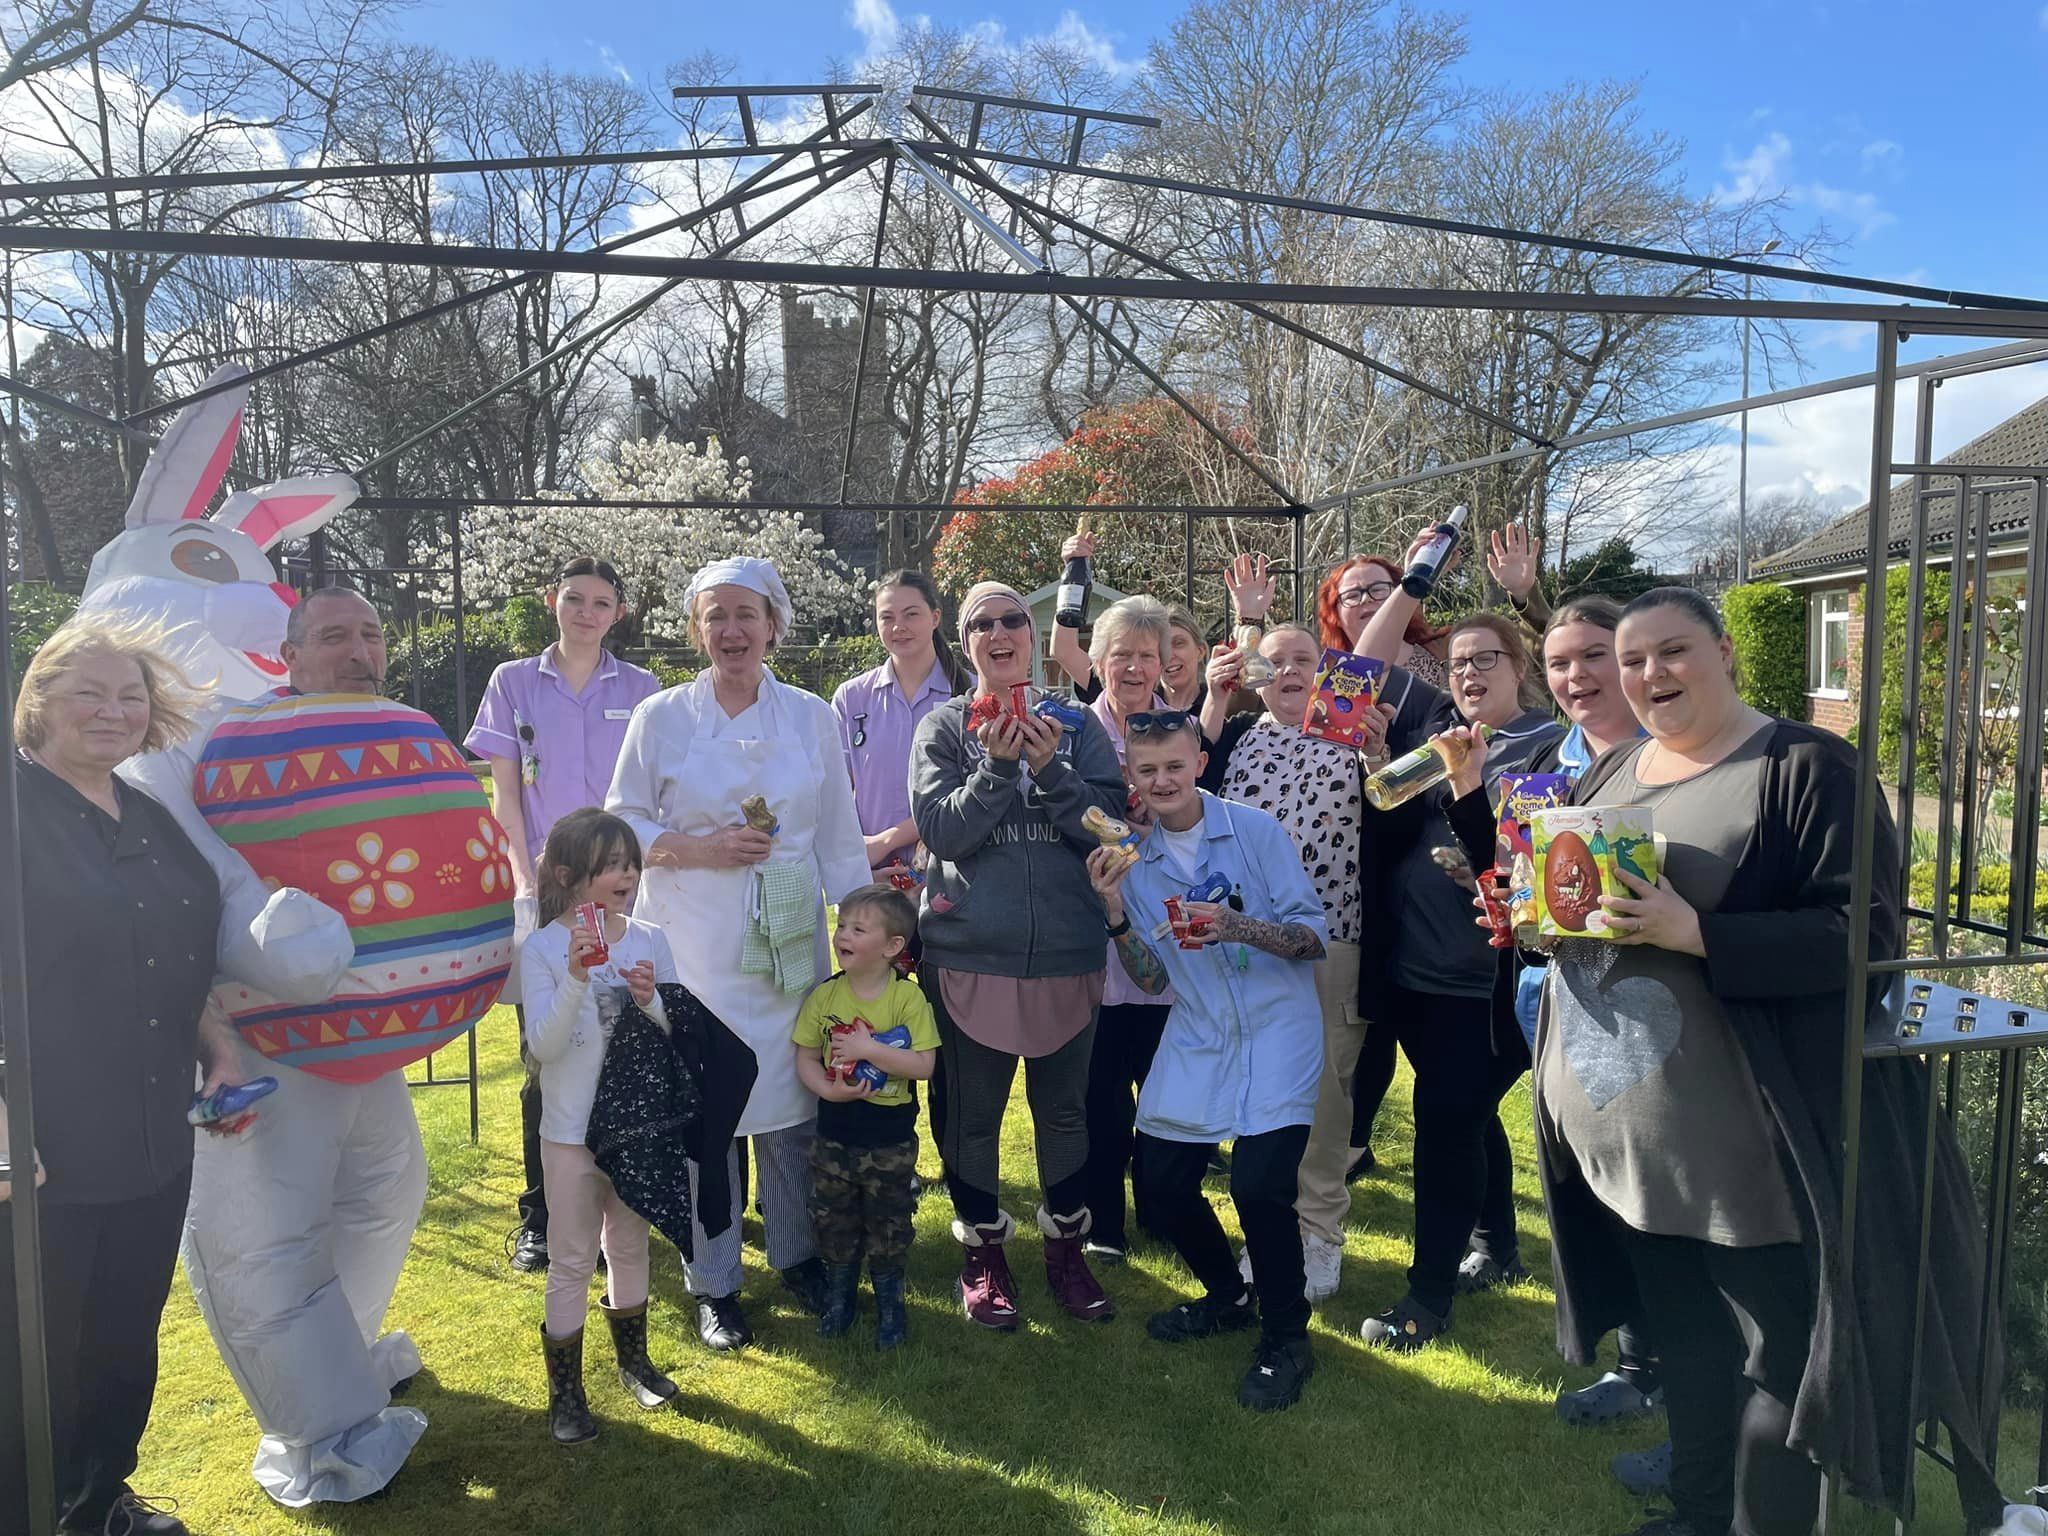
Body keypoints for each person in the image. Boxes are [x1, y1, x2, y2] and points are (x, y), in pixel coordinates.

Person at [1534, 586, 2003, 1536]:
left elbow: (1863, 941)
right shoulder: (1619, 764)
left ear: (1726, 650)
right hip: (1630, 1144)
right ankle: (1703, 1513)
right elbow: (1588, 905)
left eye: (1672, 652)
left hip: (1747, 1144)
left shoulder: (1805, 767)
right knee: (1688, 1341)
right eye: (1633, 660)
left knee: (1781, 1360)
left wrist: (1701, 933)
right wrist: (1531, 916)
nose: (1650, 674)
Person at [131, 585, 515, 1506]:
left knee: (387, 1188)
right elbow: (197, 875)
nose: (359, 650)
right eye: (334, 636)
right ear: (288, 654)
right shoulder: (214, 737)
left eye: (372, 634)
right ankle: (318, 1438)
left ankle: (341, 1358)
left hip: (362, 1039)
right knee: (262, 1238)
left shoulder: (404, 726)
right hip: (260, 1038)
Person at [0, 617, 242, 1536]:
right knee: (28, 1357)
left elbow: (175, 965)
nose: (113, 712)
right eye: (88, 694)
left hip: (148, 1137)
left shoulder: (150, 819)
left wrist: (218, 1048)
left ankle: (98, 1504)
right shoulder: (11, 811)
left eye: (130, 697)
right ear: (36, 703)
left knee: (118, 1341)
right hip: (38, 1144)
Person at [607, 556, 869, 1350]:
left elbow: (838, 833)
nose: (732, 631)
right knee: (708, 1116)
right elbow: (621, 821)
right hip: (694, 942)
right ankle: (715, 1281)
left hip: (786, 942)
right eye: (715, 615)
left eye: (747, 615)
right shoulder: (661, 717)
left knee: (794, 1105)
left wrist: (860, 934)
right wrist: (696, 847)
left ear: (774, 626)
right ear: (697, 629)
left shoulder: (811, 716)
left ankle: (795, 1254)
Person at [1086, 710, 1329, 1411]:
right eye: (1146, 769)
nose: (1162, 780)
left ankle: (1287, 1339)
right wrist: (1113, 910)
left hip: (1279, 1029)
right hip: (1199, 1032)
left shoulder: (1255, 831)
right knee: (1159, 1186)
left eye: (1174, 765)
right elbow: (1154, 979)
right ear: (1131, 774)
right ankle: (1228, 1295)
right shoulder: (1136, 862)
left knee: (1259, 1189)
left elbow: (1312, 939)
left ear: (1199, 760)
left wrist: (1234, 925)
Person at [910, 581, 1127, 1329]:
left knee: (1065, 1116)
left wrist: (1052, 772)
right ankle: (984, 1260)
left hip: (1067, 952)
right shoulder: (942, 726)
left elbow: (1112, 829)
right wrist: (999, 769)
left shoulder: (1074, 722)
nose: (1001, 632)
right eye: (982, 624)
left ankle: (1067, 1255)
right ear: (964, 643)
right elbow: (942, 833)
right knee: (973, 1120)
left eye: (1014, 620)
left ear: (1032, 635)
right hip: (972, 953)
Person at [1352, 610, 1561, 1351]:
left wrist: (1468, 783)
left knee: (1445, 1127)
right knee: (1468, 1118)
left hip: (1486, 984)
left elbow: (1514, 868)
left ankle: (1427, 1297)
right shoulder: (1437, 734)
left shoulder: (1549, 748)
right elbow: (1360, 672)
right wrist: (1385, 759)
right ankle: (1497, 1245)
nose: (1469, 672)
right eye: (1460, 660)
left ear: (1522, 665)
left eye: (1487, 659)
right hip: (1415, 970)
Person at [467, 557, 660, 1276]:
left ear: (618, 613)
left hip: (622, 892)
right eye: (574, 599)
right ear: (553, 601)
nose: (585, 611)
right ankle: (541, 1217)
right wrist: (526, 882)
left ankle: (625, 1209)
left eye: (600, 602)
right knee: (546, 1056)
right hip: (547, 891)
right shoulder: (513, 682)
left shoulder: (641, 690)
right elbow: (507, 795)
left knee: (622, 1046)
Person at [1196, 622, 1390, 1304]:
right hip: (1250, 944)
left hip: (1332, 943)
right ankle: (1270, 1230)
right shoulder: (1242, 741)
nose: (1288, 671)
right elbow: (1188, 774)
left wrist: (1376, 755)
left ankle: (1320, 1235)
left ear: (1326, 671)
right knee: (1263, 1094)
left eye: (1303, 660)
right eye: (1273, 662)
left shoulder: (1356, 744)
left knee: (1326, 1098)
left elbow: (1393, 816)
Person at [518, 809, 681, 1445]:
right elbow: (546, 1048)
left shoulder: (648, 939)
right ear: (569, 875)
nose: (627, 874)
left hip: (633, 1130)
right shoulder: (541, 949)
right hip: (569, 1135)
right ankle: (567, 1393)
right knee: (570, 1260)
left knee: (630, 1244)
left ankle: (634, 1362)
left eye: (631, 862)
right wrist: (578, 977)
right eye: (611, 865)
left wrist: (652, 1002)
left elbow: (677, 1037)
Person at [1074, 595, 1178, 1265]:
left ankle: (1167, 1210)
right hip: (1089, 936)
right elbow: (1064, 807)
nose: (1134, 667)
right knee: (1100, 1095)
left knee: (1167, 1090)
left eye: (1147, 655)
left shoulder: (1180, 730)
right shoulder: (1071, 730)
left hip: (1164, 941)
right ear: (1097, 662)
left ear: (1165, 662)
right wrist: (1119, 823)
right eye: (1121, 656)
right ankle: (1104, 1220)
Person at [790, 884, 940, 1350]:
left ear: (893, 947)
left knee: (888, 1221)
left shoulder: (907, 999)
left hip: (889, 1139)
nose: (842, 935)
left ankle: (891, 1305)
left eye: (858, 928)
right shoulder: (825, 996)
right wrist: (828, 1092)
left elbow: (923, 1065)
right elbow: (805, 1058)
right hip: (834, 1135)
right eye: (841, 925)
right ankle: (840, 1299)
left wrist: (868, 1049)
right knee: (835, 1219)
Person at [832, 570, 973, 879]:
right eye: (887, 617)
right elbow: (834, 794)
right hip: (872, 880)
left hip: (952, 879)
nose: (899, 627)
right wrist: (859, 861)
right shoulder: (852, 698)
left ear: (935, 617)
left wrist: (885, 842)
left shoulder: (971, 694)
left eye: (912, 614)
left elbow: (972, 794)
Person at [1048, 528, 1211, 713]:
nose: (1170, 654)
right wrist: (1073, 572)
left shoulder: (1220, 701)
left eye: (1178, 643)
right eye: (1124, 654)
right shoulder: (1129, 688)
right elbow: (1063, 649)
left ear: (1200, 651)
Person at [1315, 551, 1451, 687]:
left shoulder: (1445, 652)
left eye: (1378, 589)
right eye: (1352, 595)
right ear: (1335, 614)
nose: (1366, 599)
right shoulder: (1326, 676)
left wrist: (1419, 572)